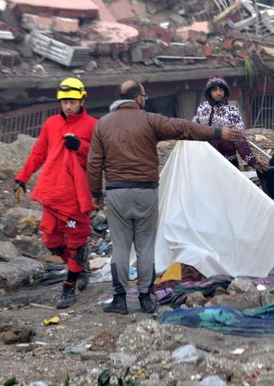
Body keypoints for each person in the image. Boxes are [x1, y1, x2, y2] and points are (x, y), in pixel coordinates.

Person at [87, 80, 242, 315]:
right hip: (146, 191)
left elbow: (94, 163)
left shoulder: (103, 125)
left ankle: (119, 300)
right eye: (144, 96)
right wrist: (219, 132)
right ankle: (146, 300)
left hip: (117, 192)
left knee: (120, 246)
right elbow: (184, 128)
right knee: (145, 246)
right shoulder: (150, 120)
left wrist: (96, 194)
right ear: (138, 98)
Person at [14, 77, 98, 309]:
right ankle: (79, 265)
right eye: (64, 102)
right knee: (50, 239)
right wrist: (21, 177)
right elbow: (38, 153)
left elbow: (99, 157)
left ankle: (68, 287)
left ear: (82, 99)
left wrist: (79, 147)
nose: (68, 106)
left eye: (72, 101)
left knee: (75, 241)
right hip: (51, 191)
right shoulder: (51, 124)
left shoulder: (92, 125)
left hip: (76, 195)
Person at [192, 75, 268, 173]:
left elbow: (240, 139)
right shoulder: (202, 108)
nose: (218, 93)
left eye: (221, 90)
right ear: (209, 92)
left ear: (226, 92)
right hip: (206, 160)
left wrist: (252, 161)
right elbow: (193, 129)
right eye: (214, 90)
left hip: (227, 162)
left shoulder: (232, 112)